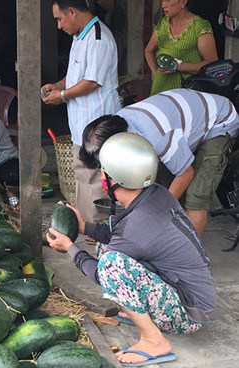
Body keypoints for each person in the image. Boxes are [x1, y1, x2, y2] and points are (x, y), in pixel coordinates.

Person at [47, 132, 215, 367]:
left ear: (113, 179)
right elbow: (120, 237)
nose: (101, 176)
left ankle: (153, 340)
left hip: (188, 313)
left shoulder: (138, 227)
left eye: (103, 171)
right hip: (187, 289)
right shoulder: (155, 193)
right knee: (107, 247)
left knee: (110, 264)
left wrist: (71, 248)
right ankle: (138, 309)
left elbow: (101, 275)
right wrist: (85, 226)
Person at [79, 88, 239, 236]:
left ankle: (191, 260)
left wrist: (157, 210)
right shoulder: (118, 126)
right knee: (163, 185)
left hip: (220, 119)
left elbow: (186, 174)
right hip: (182, 117)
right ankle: (171, 239)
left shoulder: (159, 136)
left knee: (196, 195)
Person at [41, 0, 120, 223]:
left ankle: (98, 226)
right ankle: (85, 223)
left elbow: (92, 82)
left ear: (73, 12)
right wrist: (58, 86)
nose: (59, 25)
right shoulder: (79, 37)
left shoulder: (98, 38)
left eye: (59, 19)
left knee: (96, 176)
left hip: (97, 121)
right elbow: (75, 75)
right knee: (81, 174)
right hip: (81, 123)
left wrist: (63, 96)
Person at [145, 0, 218, 95]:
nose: (163, 5)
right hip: (160, 89)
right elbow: (149, 51)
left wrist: (179, 66)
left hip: (187, 91)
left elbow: (212, 64)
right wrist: (156, 74)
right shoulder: (162, 24)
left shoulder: (199, 26)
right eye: (162, 1)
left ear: (183, 2)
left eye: (168, 0)